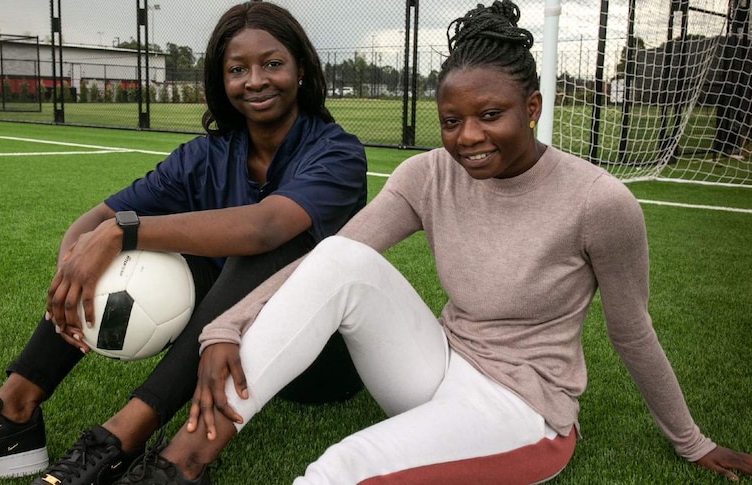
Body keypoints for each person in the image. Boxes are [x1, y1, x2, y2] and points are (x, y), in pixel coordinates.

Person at [111, 1, 752, 484]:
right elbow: (327, 264)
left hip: (522, 409)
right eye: (451, 120)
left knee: (343, 466)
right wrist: (226, 326)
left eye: (490, 115)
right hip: (433, 365)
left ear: (531, 107)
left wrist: (691, 442)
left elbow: (631, 332)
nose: (468, 136)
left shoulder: (600, 202)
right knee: (340, 254)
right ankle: (180, 465)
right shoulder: (427, 174)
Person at [0, 3, 367, 485]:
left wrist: (123, 231)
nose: (256, 80)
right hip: (232, 344)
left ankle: (122, 436)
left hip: (316, 364)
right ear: (221, 81)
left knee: (266, 248)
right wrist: (74, 272)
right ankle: (13, 414)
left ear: (301, 68)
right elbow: (94, 220)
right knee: (119, 250)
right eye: (237, 69)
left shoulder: (338, 152)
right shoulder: (205, 156)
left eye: (272, 63)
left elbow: (264, 228)